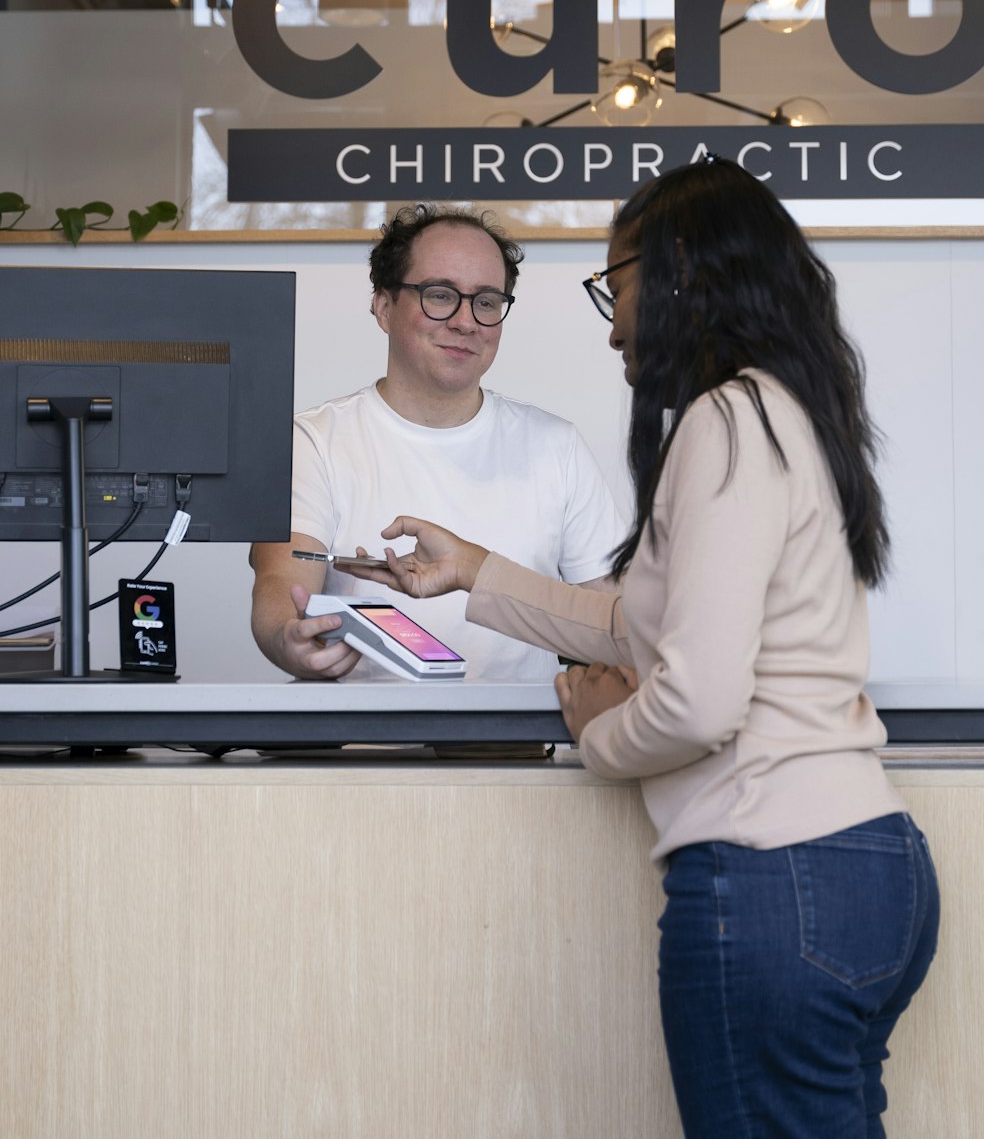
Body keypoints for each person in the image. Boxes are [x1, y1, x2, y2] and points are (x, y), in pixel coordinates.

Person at [356, 158, 940, 1137]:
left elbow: (697, 703)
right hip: (866, 870)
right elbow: (645, 625)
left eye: (614, 284)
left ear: (676, 279)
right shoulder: (786, 411)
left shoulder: (725, 421)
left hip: (773, 879)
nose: (612, 319)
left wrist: (601, 735)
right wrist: (475, 571)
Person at [249, 202, 627, 682]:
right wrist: (289, 638)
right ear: (384, 307)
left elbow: (615, 620)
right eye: (441, 295)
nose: (466, 322)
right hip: (359, 749)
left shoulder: (557, 446)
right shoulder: (312, 441)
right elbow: (281, 580)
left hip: (519, 750)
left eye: (487, 301)